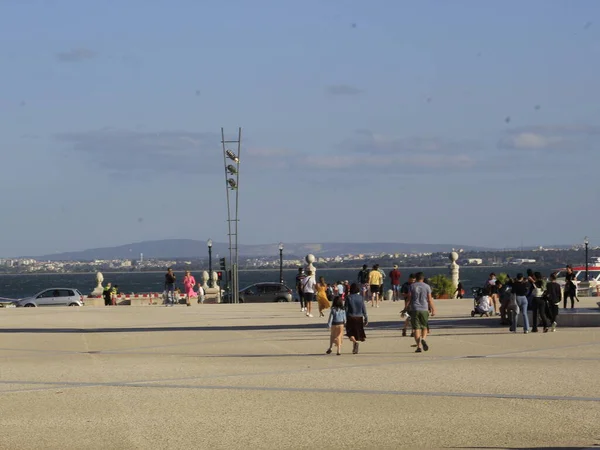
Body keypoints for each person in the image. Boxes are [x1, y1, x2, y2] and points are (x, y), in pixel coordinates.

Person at [406, 272, 436, 353]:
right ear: (423, 278)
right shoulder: (427, 286)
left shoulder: (412, 286)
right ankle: (423, 339)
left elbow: (409, 298)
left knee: (416, 328)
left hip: (414, 309)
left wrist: (406, 308)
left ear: (416, 278)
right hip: (424, 309)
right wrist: (433, 309)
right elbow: (429, 299)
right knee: (424, 327)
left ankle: (419, 346)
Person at [345, 283, 368, 354]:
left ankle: (355, 343)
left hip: (351, 317)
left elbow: (346, 309)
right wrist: (366, 317)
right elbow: (363, 308)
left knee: (350, 333)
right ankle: (355, 346)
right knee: (357, 334)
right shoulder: (361, 297)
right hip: (359, 317)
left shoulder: (348, 297)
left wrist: (344, 318)